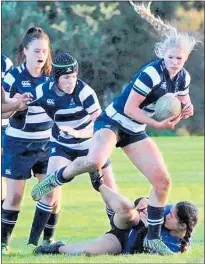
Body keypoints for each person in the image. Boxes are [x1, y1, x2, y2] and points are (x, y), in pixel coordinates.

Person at [31, 3, 200, 255]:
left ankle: (153, 238)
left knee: (163, 182)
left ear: (185, 59)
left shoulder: (182, 77)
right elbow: (131, 109)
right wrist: (157, 123)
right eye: (171, 57)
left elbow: (184, 100)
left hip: (134, 130)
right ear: (162, 55)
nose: (175, 62)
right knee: (93, 161)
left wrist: (187, 108)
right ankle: (52, 181)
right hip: (113, 121)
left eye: (180, 58)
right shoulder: (150, 73)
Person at [27, 52, 118, 247]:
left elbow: (100, 124)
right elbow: (22, 103)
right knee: (49, 190)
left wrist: (79, 133)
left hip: (91, 145)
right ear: (56, 78)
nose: (71, 81)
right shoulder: (44, 90)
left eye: (74, 76)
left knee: (110, 191)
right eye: (66, 78)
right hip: (62, 145)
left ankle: (119, 236)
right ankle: (33, 244)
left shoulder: (84, 92)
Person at [34, 173, 199, 256]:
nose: (169, 213)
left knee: (87, 253)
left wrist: (150, 228)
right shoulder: (169, 210)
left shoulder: (177, 247)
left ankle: (55, 248)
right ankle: (98, 183)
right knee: (126, 208)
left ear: (183, 226)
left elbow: (142, 249)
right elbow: (143, 202)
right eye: (171, 211)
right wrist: (142, 201)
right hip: (129, 224)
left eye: (173, 216)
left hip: (122, 243)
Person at [1, 26, 54, 255]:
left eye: (44, 51)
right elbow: (2, 110)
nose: (41, 55)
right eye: (36, 51)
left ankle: (44, 243)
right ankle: (3, 244)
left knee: (50, 194)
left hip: (47, 144)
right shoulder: (13, 76)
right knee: (14, 197)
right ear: (25, 51)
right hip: (18, 144)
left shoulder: (54, 76)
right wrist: (17, 104)